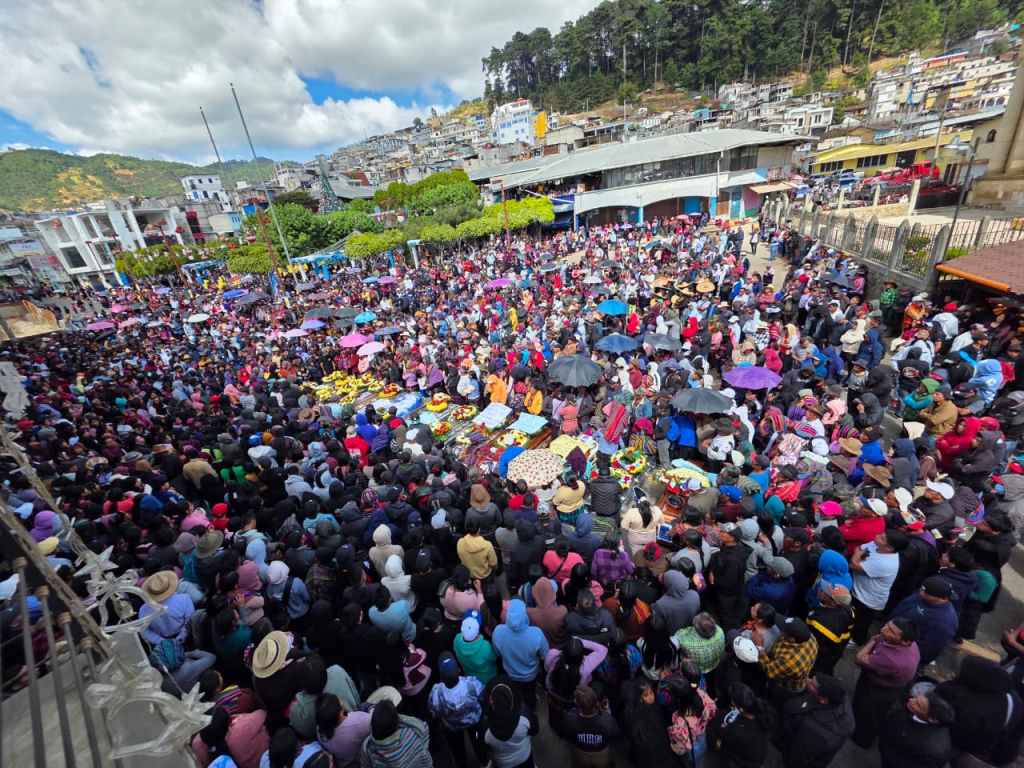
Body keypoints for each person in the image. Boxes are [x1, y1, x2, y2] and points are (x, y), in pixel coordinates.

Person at [851, 617, 920, 749]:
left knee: (867, 715)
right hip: (892, 686)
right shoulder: (911, 644)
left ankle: (860, 740)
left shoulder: (891, 660)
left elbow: (859, 658)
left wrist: (873, 640)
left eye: (891, 631)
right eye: (887, 625)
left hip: (878, 690)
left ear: (905, 642)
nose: (883, 630)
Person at [780, 675, 855, 768]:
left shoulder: (814, 731)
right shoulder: (840, 697)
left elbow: (797, 758)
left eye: (812, 684)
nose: (807, 680)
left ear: (823, 700)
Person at [428, 652, 485, 766]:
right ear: (458, 670)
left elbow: (434, 711)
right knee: (477, 741)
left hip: (452, 727)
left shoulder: (436, 693)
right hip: (473, 721)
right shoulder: (471, 683)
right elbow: (482, 695)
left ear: (441, 677)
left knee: (458, 749)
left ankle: (462, 764)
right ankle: (483, 761)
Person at [850, 529, 906, 645]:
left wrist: (858, 557)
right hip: (859, 591)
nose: (877, 536)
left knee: (861, 623)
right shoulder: (876, 544)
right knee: (854, 617)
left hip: (868, 599)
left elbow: (853, 565)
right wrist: (858, 556)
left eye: (882, 538)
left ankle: (857, 641)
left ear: (889, 548)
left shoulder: (886, 563)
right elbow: (859, 548)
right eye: (881, 534)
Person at [887, 575, 958, 665]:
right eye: (922, 589)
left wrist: (907, 658)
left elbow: (929, 649)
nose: (921, 592)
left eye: (925, 592)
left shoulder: (945, 622)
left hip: (902, 654)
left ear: (942, 598)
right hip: (891, 637)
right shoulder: (923, 595)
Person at [492, 599, 549, 709]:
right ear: (524, 615)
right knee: (530, 694)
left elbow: (497, 653)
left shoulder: (498, 632)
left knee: (515, 693)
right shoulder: (536, 634)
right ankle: (531, 708)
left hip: (510, 673)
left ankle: (518, 707)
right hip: (530, 675)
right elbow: (545, 654)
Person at [877, 689, 955, 768]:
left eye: (918, 705)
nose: (911, 700)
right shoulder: (913, 707)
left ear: (932, 719)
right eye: (916, 698)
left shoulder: (931, 750)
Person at [359, 699, 433, 768]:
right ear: (397, 722)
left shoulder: (369, 748)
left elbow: (365, 765)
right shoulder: (413, 732)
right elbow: (423, 730)